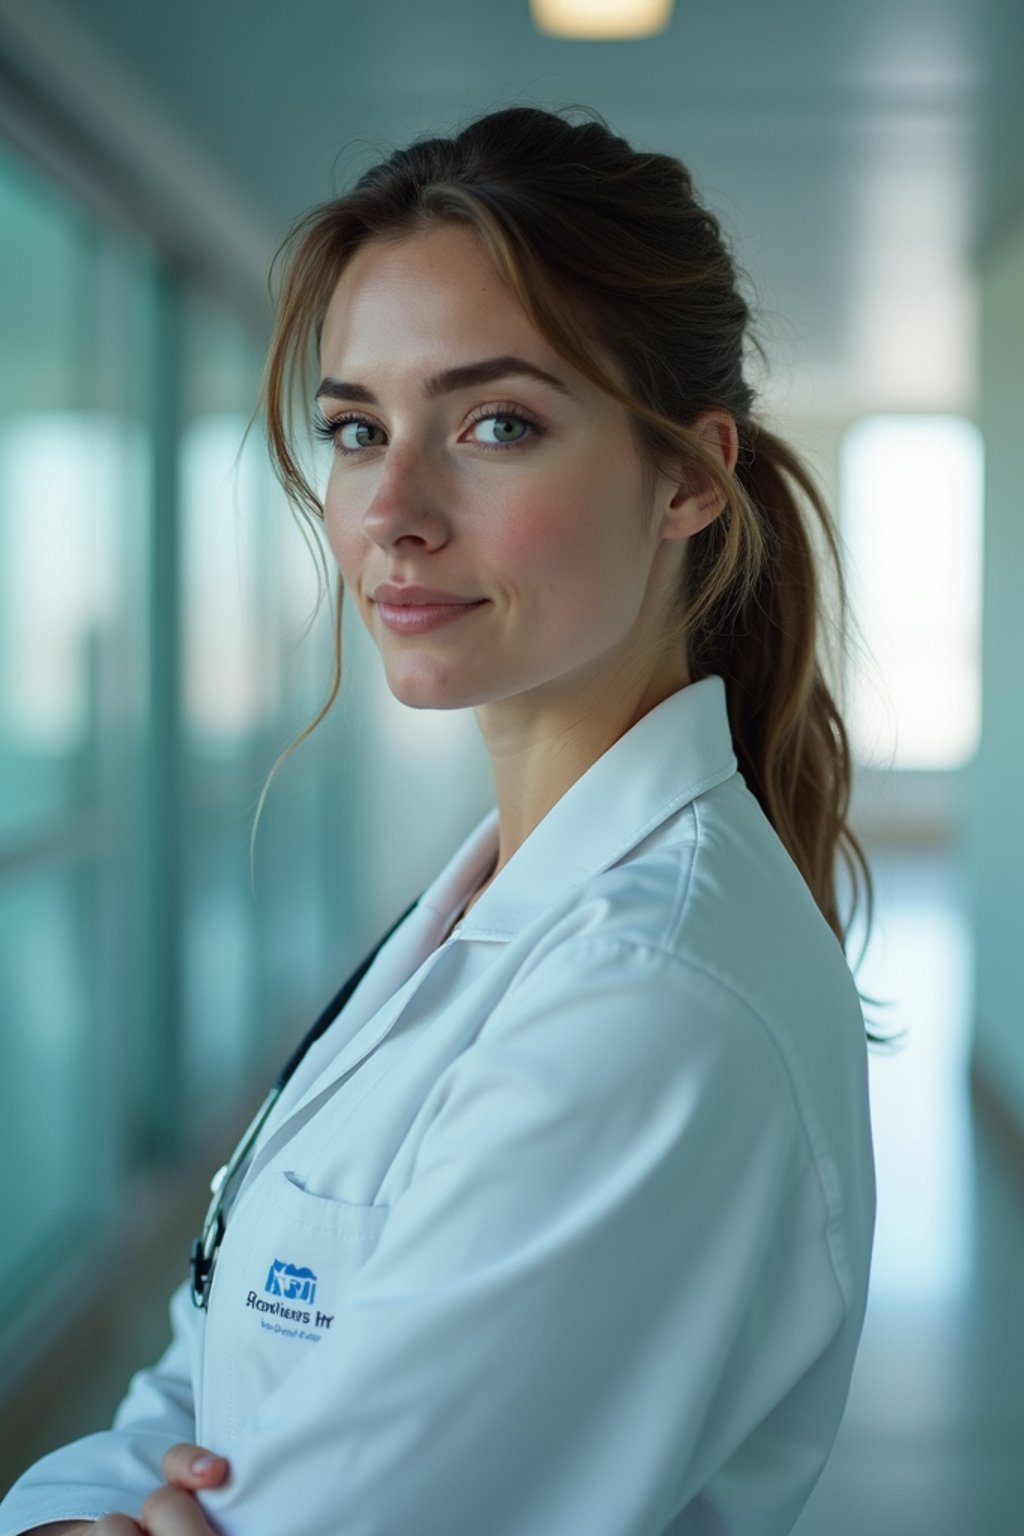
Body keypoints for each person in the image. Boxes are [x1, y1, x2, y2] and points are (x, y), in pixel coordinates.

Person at [1, 104, 877, 1536]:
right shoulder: (488, 906)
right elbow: (199, 1382)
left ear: (688, 480)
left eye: (495, 424)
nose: (391, 509)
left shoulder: (646, 997)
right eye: (356, 428)